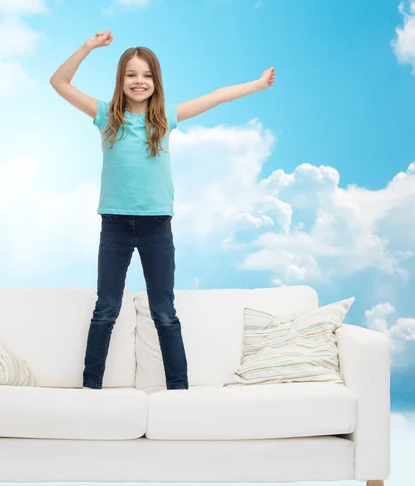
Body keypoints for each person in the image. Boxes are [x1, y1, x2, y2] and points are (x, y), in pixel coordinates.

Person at [50, 29, 275, 390]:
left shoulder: (165, 119)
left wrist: (258, 85)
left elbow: (215, 98)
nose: (139, 81)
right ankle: (89, 390)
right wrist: (89, 47)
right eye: (131, 74)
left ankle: (179, 392)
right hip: (115, 226)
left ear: (156, 80)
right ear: (121, 80)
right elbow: (59, 82)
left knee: (164, 313)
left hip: (157, 227)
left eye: (146, 75)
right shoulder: (107, 116)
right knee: (105, 310)